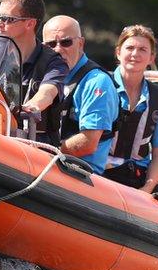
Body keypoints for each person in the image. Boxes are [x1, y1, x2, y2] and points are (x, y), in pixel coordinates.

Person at [104, 25, 158, 196]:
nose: (135, 54)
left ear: (151, 57)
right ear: (118, 52)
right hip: (101, 171)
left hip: (139, 175)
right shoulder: (101, 85)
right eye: (129, 48)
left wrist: (147, 189)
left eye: (142, 49)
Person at [42, 15, 118, 174]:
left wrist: (44, 153)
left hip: (80, 173)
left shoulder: (96, 82)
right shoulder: (44, 76)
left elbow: (88, 142)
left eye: (66, 42)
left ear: (80, 44)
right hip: (49, 165)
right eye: (51, 44)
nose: (58, 49)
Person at [0, 0, 68, 145]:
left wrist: (32, 106)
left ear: (30, 23)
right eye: (0, 17)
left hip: (35, 147)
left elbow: (47, 93)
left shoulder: (54, 63)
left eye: (8, 19)